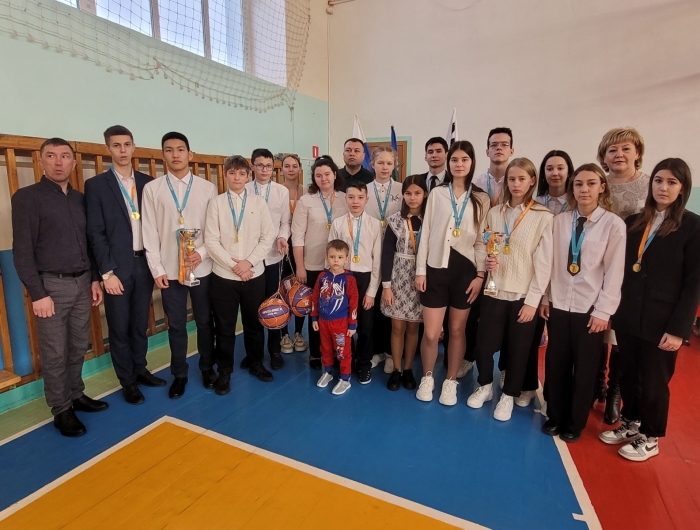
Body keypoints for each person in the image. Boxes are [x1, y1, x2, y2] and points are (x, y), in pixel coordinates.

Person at [600, 158, 700, 461]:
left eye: (671, 182)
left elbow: (694, 283)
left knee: (655, 381)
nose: (663, 187)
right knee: (628, 373)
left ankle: (651, 435)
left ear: (683, 188)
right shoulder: (635, 222)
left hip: (663, 320)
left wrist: (679, 330)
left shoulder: (693, 226)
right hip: (629, 313)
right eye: (658, 180)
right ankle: (631, 422)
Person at [12, 137, 107, 437]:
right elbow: (22, 251)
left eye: (64, 156)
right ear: (41, 161)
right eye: (51, 156)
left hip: (83, 282)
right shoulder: (28, 197)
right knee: (54, 352)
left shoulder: (80, 199)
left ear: (73, 163)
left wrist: (94, 278)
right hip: (51, 286)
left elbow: (91, 244)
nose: (58, 162)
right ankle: (61, 408)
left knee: (78, 346)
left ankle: (76, 394)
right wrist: (38, 293)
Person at [540, 163, 626, 443]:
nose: (584, 189)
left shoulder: (613, 225)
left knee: (586, 367)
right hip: (559, 303)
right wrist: (545, 297)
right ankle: (555, 415)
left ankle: (575, 422)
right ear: (572, 189)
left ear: (602, 187)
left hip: (590, 308)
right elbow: (549, 263)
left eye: (591, 184)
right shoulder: (559, 222)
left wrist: (604, 311)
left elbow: (614, 272)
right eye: (578, 184)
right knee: (557, 362)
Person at [466, 158, 553, 421]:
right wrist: (485, 262)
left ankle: (508, 396)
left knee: (518, 350)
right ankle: (485, 386)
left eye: (521, 179)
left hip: (523, 296)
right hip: (494, 291)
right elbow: (481, 243)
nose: (516, 184)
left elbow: (544, 264)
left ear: (532, 181)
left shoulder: (543, 217)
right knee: (484, 345)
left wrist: (533, 301)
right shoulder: (495, 213)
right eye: (511, 179)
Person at [85, 125, 164, 406]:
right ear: (107, 149)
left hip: (144, 264)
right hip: (116, 269)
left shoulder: (148, 183)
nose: (122, 150)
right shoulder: (96, 186)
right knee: (119, 328)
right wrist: (106, 273)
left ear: (134, 147)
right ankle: (127, 381)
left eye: (126, 144)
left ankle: (140, 369)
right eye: (116, 145)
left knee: (140, 324)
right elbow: (95, 233)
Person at [141, 132, 217, 399]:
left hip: (202, 268)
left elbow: (213, 229)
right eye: (169, 150)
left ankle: (207, 368)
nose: (175, 155)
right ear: (163, 155)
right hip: (170, 271)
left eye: (180, 149)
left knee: (205, 321)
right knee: (176, 325)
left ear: (190, 154)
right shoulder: (152, 189)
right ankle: (179, 374)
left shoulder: (207, 188)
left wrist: (203, 253)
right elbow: (149, 231)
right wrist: (157, 269)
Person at [415, 140, 489, 405]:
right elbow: (426, 234)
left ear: (472, 163)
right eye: (455, 160)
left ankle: (450, 381)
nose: (459, 164)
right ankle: (427, 377)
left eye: (464, 160)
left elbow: (481, 241)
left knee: (457, 330)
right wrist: (420, 271)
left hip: (465, 272)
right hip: (436, 268)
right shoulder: (437, 194)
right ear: (448, 162)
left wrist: (480, 276)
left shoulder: (481, 198)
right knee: (431, 333)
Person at [205, 155, 276, 394]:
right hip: (224, 276)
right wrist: (234, 265)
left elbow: (267, 237)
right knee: (224, 326)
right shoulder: (216, 203)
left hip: (254, 274)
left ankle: (256, 362)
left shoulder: (258, 203)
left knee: (253, 323)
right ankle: (225, 370)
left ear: (248, 176)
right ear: (225, 175)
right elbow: (211, 240)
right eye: (232, 173)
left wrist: (249, 263)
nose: (237, 177)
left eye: (242, 173)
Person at [595, 127, 649, 424]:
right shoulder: (597, 184)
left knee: (620, 334)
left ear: (637, 153)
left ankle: (614, 389)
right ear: (603, 156)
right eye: (612, 150)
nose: (618, 155)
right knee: (595, 327)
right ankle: (597, 382)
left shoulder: (649, 186)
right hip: (596, 267)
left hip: (632, 271)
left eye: (626, 148)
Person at [463, 127, 516, 383]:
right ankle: (468, 357)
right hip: (479, 253)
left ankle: (505, 367)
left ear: (511, 150)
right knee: (473, 310)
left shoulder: (516, 181)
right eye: (494, 144)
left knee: (504, 315)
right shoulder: (476, 183)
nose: (499, 148)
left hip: (506, 257)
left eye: (504, 144)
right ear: (487, 151)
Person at [291, 156, 348, 369]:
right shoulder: (306, 201)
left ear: (335, 174)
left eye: (327, 174)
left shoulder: (345, 198)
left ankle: (337, 350)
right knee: (317, 309)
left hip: (339, 266)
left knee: (338, 309)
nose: (323, 178)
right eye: (318, 175)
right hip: (314, 265)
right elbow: (297, 236)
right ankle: (316, 352)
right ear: (314, 178)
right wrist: (300, 266)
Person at [329, 182, 382, 384]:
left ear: (366, 199)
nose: (355, 201)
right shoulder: (338, 223)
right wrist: (334, 283)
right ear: (346, 199)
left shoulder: (375, 224)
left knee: (365, 326)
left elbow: (377, 261)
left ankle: (364, 364)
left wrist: (372, 291)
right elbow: (331, 254)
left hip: (365, 279)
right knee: (343, 325)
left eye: (360, 197)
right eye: (351, 197)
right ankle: (346, 361)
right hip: (343, 278)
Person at [245, 148, 291, 371]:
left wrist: (282, 237)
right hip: (250, 259)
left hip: (273, 256)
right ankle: (253, 353)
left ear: (274, 168)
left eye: (269, 166)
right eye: (260, 165)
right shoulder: (244, 189)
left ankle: (274, 350)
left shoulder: (281, 191)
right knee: (251, 307)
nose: (264, 170)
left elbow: (285, 222)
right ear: (252, 166)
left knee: (274, 304)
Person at [380, 175, 427, 391]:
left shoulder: (429, 221)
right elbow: (387, 255)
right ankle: (396, 369)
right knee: (397, 327)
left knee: (413, 327)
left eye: (417, 193)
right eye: (408, 193)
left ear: (425, 194)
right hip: (398, 279)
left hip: (420, 280)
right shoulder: (395, 221)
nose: (412, 197)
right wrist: (387, 286)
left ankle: (408, 368)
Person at [365, 146, 402, 373]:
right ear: (372, 164)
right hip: (369, 252)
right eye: (380, 163)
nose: (385, 167)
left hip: (394, 255)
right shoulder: (364, 190)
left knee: (390, 304)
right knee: (373, 305)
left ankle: (390, 352)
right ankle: (375, 351)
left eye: (389, 163)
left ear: (394, 165)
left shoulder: (402, 189)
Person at [312, 239, 359, 396]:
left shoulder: (349, 279)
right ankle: (328, 372)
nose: (336, 261)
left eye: (340, 257)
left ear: (346, 259)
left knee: (342, 351)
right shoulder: (322, 276)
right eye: (332, 257)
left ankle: (345, 379)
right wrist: (314, 317)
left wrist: (352, 324)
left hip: (341, 323)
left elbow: (354, 303)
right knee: (325, 348)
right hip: (323, 321)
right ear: (327, 257)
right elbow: (315, 297)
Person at [279, 154, 308, 353]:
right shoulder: (276, 191)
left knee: (299, 289)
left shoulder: (306, 192)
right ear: (281, 169)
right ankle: (284, 334)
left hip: (301, 246)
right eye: (287, 166)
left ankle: (298, 332)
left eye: (294, 166)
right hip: (280, 246)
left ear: (299, 169)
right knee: (282, 289)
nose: (291, 169)